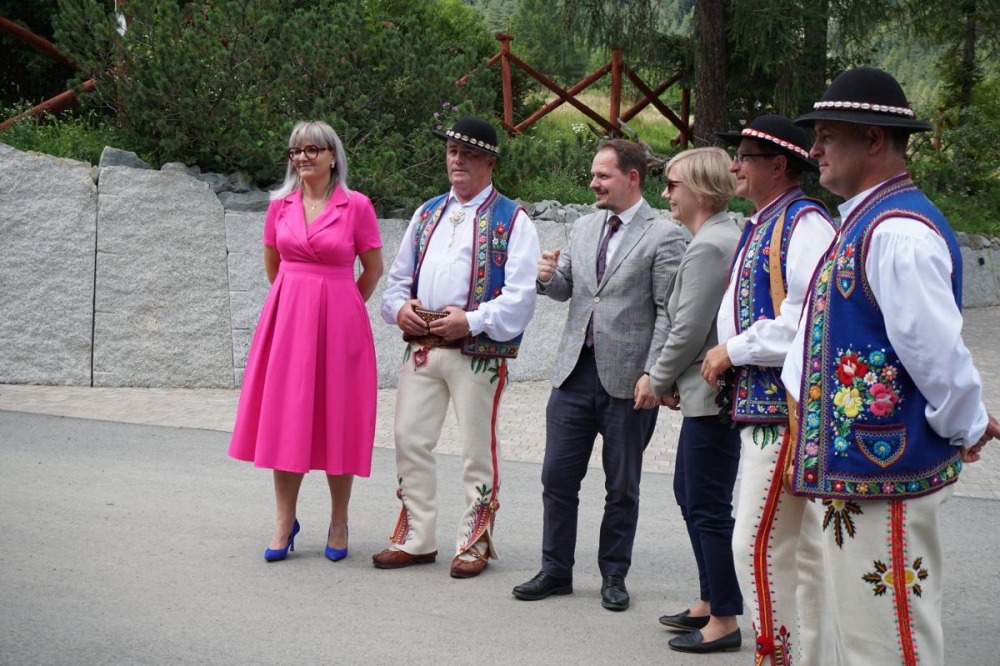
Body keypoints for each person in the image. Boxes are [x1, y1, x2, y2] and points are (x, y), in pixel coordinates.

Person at [783, 66, 1000, 664]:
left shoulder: (897, 232)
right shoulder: (865, 221)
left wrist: (967, 424)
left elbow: (935, 353)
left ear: (874, 139)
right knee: (861, 634)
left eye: (828, 136)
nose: (814, 150)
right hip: (860, 473)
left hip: (885, 473)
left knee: (889, 638)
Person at [512, 139, 687, 611]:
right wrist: (547, 276)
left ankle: (614, 575)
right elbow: (567, 289)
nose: (593, 183)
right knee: (556, 478)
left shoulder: (664, 234)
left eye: (602, 176)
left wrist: (654, 374)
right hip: (573, 373)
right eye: (593, 175)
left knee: (621, 486)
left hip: (629, 381)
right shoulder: (585, 225)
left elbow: (667, 312)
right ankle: (555, 571)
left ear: (632, 177)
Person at [374, 116, 540, 579]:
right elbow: (396, 282)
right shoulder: (427, 213)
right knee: (409, 438)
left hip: (478, 352)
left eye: (469, 154)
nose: (457, 160)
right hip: (422, 347)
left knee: (476, 448)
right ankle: (416, 537)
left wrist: (472, 320)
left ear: (490, 162)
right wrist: (399, 310)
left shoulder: (514, 220)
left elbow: (521, 299)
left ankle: (474, 540)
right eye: (452, 151)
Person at [699, 115, 837, 665]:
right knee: (799, 551)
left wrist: (731, 351)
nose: (734, 165)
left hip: (785, 410)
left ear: (778, 165)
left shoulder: (804, 224)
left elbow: (806, 324)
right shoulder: (768, 221)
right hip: (765, 408)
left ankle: (775, 657)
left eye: (745, 157)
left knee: (755, 544)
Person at [229, 120, 384, 562]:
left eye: (312, 149)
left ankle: (339, 520)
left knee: (339, 417)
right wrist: (295, 302)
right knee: (285, 418)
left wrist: (342, 304)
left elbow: (372, 269)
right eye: (296, 150)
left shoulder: (357, 206)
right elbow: (273, 265)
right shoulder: (279, 205)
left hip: (341, 323)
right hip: (288, 322)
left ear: (333, 156)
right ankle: (284, 521)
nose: (302, 157)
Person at [646, 147, 744, 653]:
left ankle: (724, 618)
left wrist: (657, 379)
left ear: (701, 189)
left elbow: (688, 328)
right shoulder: (717, 237)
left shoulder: (710, 245)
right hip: (705, 394)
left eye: (672, 185)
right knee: (692, 494)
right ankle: (710, 600)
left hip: (711, 397)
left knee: (705, 504)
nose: (666, 194)